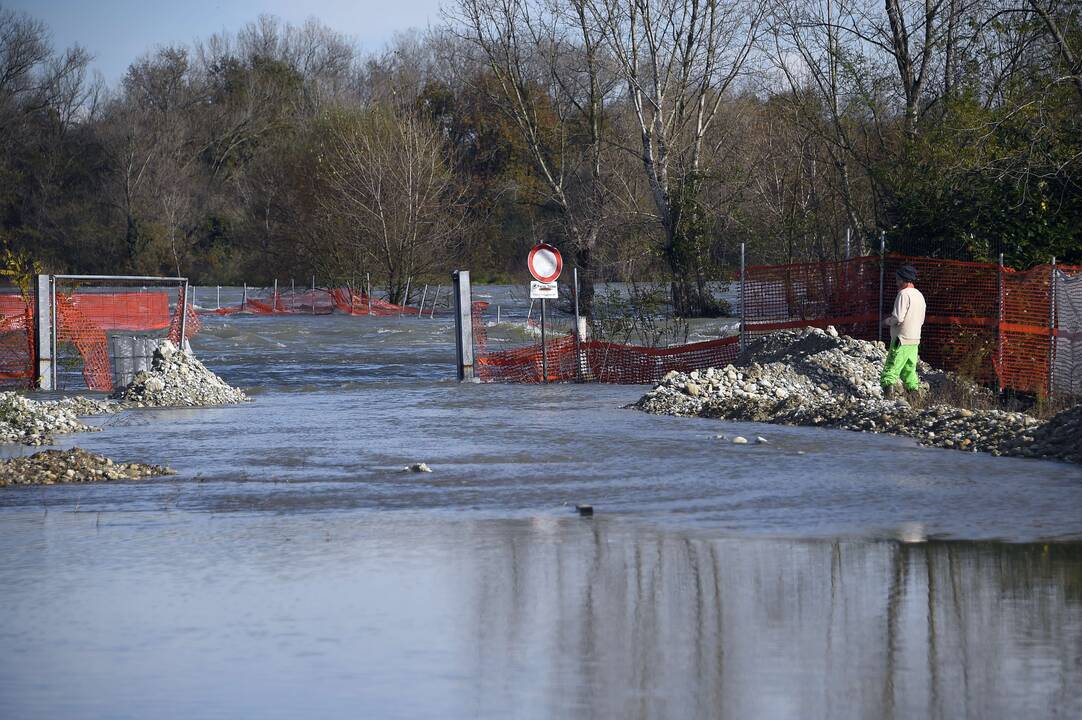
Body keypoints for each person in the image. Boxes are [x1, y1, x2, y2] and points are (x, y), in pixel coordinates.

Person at [881, 264, 926, 396]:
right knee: (909, 371)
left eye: (897, 279)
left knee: (890, 369)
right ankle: (915, 399)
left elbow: (898, 318)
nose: (896, 282)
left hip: (901, 339)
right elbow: (921, 320)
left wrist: (886, 322)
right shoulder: (919, 295)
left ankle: (887, 399)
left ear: (903, 279)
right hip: (915, 339)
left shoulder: (903, 294)